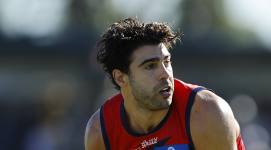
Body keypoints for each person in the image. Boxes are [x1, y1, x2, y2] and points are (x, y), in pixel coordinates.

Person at [85, 17, 246, 150]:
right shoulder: (101, 131)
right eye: (150, 66)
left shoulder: (207, 113)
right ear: (120, 78)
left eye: (166, 62)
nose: (165, 74)